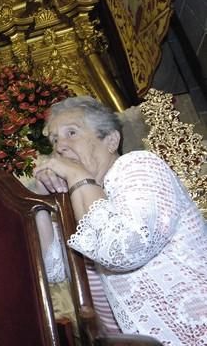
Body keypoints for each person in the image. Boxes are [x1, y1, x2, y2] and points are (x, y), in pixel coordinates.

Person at [34, 96, 207, 345]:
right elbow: (53, 270)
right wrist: (41, 201)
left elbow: (123, 249)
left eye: (71, 132)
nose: (60, 146)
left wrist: (78, 176)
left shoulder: (138, 166)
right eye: (54, 139)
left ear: (111, 140)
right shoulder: (81, 197)